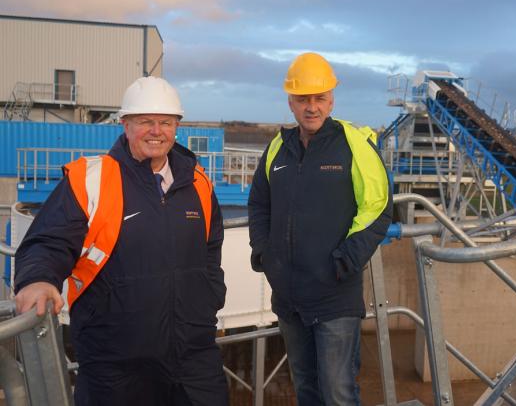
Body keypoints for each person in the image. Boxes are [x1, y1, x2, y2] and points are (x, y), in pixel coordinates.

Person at [13, 76, 228, 406]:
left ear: (177, 126)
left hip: (193, 357)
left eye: (165, 122)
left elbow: (210, 251)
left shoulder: (198, 183)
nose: (156, 131)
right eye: (145, 121)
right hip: (115, 362)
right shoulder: (92, 179)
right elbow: (48, 240)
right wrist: (38, 279)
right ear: (125, 124)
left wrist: (211, 293)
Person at [248, 52, 392, 405]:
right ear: (291, 103)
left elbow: (379, 208)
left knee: (338, 392)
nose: (311, 107)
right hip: (290, 299)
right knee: (306, 388)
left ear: (331, 100)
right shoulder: (278, 149)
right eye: (302, 99)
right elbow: (258, 204)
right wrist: (266, 255)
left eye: (319, 98)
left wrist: (345, 261)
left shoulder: (353, 145)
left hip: (335, 297)